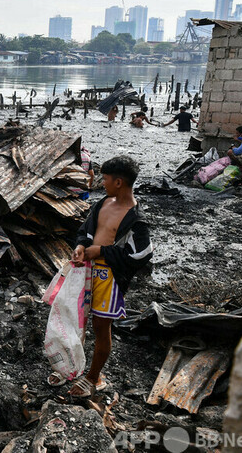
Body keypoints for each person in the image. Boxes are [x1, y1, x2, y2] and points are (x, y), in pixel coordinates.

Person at [66, 156, 153, 398]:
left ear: (118, 182)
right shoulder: (103, 203)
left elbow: (142, 254)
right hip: (87, 270)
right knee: (77, 319)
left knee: (101, 327)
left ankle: (94, 377)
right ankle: (73, 367)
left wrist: (102, 251)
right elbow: (86, 230)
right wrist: (82, 246)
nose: (101, 183)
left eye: (104, 179)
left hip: (109, 279)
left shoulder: (136, 219)